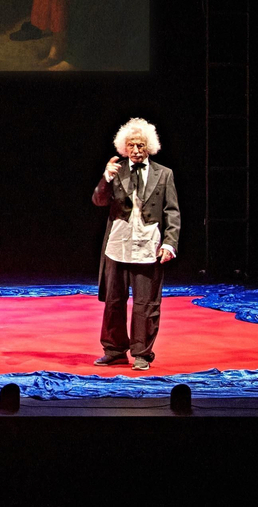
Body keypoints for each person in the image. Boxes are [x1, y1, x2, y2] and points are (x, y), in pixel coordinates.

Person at [92, 118, 179, 369]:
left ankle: (142, 353)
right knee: (114, 301)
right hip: (118, 243)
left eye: (141, 145)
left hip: (148, 243)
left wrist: (170, 243)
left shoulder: (164, 174)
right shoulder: (116, 170)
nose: (136, 150)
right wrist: (105, 178)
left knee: (146, 303)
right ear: (124, 147)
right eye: (132, 145)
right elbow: (99, 201)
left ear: (149, 147)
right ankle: (115, 350)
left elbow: (172, 212)